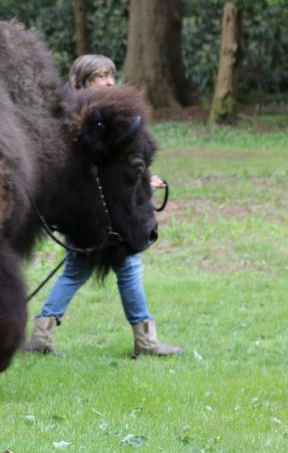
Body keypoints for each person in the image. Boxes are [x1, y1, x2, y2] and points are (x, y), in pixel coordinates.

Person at [24, 54, 181, 358]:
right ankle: (145, 341)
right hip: (94, 218)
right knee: (118, 269)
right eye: (101, 77)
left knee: (81, 271)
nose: (110, 81)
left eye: (111, 75)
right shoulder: (87, 121)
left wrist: (140, 179)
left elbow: (117, 168)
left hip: (103, 216)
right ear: (84, 82)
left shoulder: (103, 116)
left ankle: (42, 335)